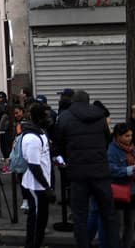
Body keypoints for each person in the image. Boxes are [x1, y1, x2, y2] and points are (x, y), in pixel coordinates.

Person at [55, 90, 119, 248]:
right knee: (109, 215)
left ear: (73, 101)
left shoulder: (64, 117)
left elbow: (59, 145)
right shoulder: (100, 117)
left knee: (80, 217)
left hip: (78, 174)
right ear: (88, 101)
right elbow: (106, 140)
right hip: (100, 172)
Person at [20, 103, 51, 248]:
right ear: (39, 118)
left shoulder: (41, 132)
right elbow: (33, 166)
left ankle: (37, 243)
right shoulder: (32, 138)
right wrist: (46, 187)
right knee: (37, 220)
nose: (49, 118)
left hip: (41, 184)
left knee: (42, 219)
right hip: (36, 186)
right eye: (46, 116)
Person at [108, 123, 135, 248]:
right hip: (118, 191)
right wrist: (130, 170)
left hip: (132, 191)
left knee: (130, 223)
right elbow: (111, 170)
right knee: (116, 224)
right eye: (127, 136)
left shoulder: (132, 148)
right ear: (118, 136)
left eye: (131, 135)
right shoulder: (112, 150)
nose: (130, 138)